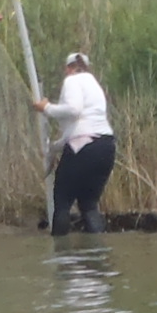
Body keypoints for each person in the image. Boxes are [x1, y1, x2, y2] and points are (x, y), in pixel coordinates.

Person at [35, 49, 117, 236]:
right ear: (87, 67)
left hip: (84, 147)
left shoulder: (72, 81)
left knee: (62, 201)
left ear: (68, 68)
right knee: (89, 204)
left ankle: (60, 254)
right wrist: (53, 148)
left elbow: (73, 110)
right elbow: (78, 130)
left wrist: (46, 108)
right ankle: (96, 252)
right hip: (106, 147)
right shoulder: (95, 85)